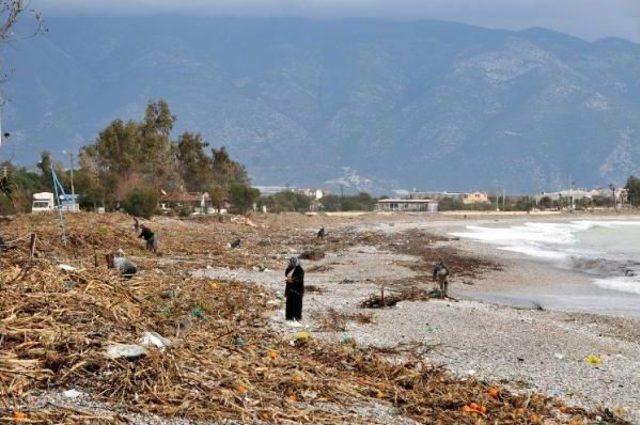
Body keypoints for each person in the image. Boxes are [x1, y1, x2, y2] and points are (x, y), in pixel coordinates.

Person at [284, 256, 305, 321]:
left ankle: (297, 317)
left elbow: (299, 278)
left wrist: (292, 280)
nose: (290, 263)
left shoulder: (300, 269)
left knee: (297, 304)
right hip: (290, 289)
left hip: (297, 290)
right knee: (289, 303)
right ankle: (289, 317)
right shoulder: (289, 268)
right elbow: (286, 274)